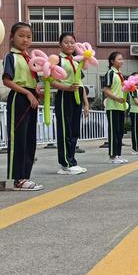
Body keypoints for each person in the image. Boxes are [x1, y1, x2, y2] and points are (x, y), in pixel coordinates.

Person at [2, 22, 43, 191]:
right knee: (18, 138)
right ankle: (18, 179)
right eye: (21, 35)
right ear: (12, 37)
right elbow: (7, 80)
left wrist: (38, 90)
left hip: (31, 98)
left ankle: (26, 176)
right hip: (19, 97)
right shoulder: (11, 57)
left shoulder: (31, 59)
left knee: (29, 139)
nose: (25, 39)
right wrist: (27, 93)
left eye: (29, 36)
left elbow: (35, 81)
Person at [52, 32, 89, 175]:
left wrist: (86, 104)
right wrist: (66, 88)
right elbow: (50, 80)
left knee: (74, 130)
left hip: (77, 95)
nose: (70, 45)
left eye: (72, 42)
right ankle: (65, 163)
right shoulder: (57, 60)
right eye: (66, 42)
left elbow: (80, 83)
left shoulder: (76, 61)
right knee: (65, 129)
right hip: (64, 95)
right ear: (60, 44)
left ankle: (72, 161)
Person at [102, 52, 128, 164]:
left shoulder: (120, 74)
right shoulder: (110, 73)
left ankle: (118, 155)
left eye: (122, 59)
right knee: (113, 131)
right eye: (119, 59)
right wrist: (117, 99)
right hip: (112, 107)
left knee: (120, 132)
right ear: (112, 61)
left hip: (120, 107)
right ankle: (112, 156)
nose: (121, 61)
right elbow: (106, 90)